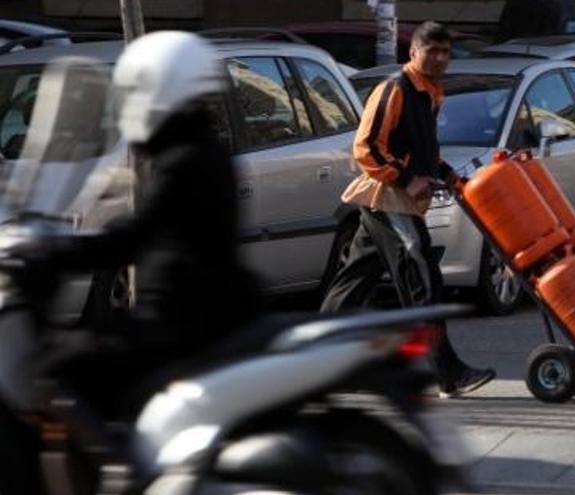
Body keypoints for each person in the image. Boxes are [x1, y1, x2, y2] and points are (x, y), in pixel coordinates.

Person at [19, 31, 261, 411]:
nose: (128, 105)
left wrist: (59, 250)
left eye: (135, 92)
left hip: (182, 320)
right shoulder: (196, 150)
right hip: (196, 311)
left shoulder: (184, 160)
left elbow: (134, 236)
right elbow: (150, 228)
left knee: (62, 365)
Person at [320, 21, 494, 398]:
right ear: (413, 52)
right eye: (433, 51)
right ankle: (448, 373)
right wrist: (406, 179)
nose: (442, 59)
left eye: (446, 52)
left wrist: (445, 174)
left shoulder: (430, 92)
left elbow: (419, 147)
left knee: (353, 283)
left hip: (393, 200)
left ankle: (310, 359)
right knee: (422, 278)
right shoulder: (395, 89)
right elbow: (366, 147)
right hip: (390, 198)